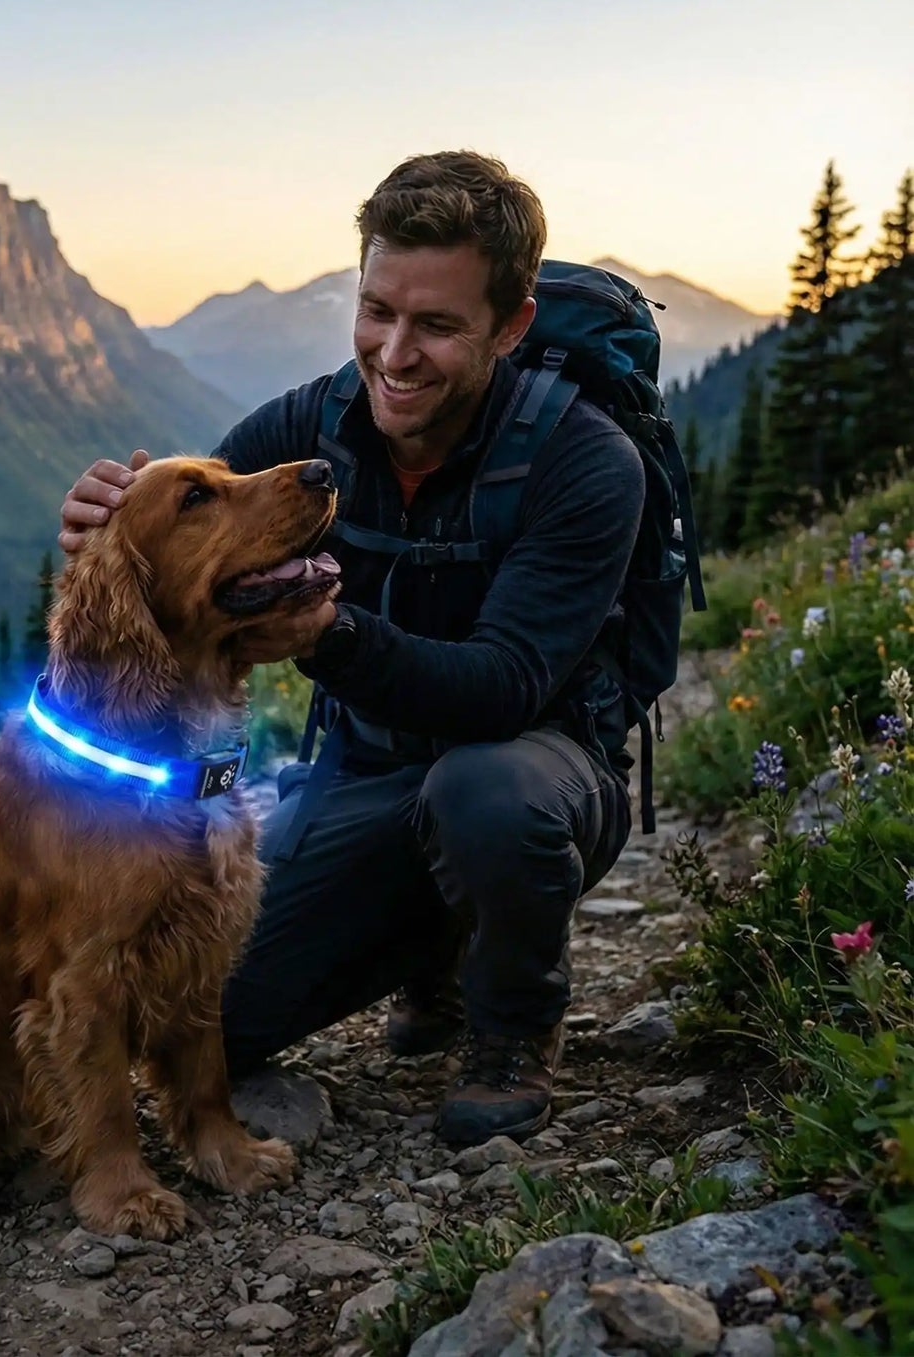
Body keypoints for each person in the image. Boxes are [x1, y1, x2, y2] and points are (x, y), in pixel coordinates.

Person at [59, 151, 644, 1143]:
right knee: (197, 1020)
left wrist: (329, 636)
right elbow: (177, 548)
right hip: (358, 774)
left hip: (531, 774)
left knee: (481, 796)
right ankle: (424, 936)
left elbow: (503, 687)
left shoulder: (585, 462)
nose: (393, 352)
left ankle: (508, 1022)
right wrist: (99, 528)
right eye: (376, 310)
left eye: (436, 325)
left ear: (509, 326)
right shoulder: (302, 425)